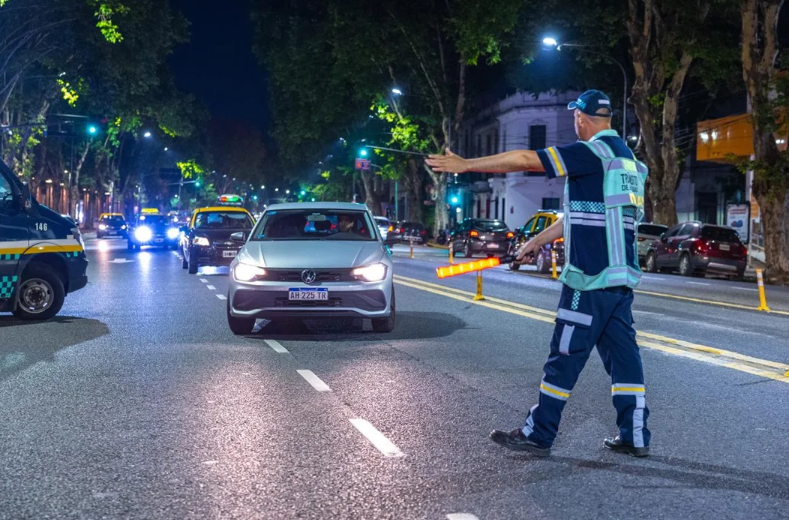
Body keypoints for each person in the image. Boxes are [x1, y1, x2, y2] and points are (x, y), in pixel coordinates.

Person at [426, 90, 651, 458]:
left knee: (564, 356)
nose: (574, 123)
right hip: (620, 280)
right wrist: (538, 240)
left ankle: (539, 433)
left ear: (581, 117)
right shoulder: (628, 163)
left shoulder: (589, 152)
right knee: (626, 361)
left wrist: (465, 165)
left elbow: (526, 158)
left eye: (575, 117)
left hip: (588, 279)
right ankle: (635, 435)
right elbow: (582, 214)